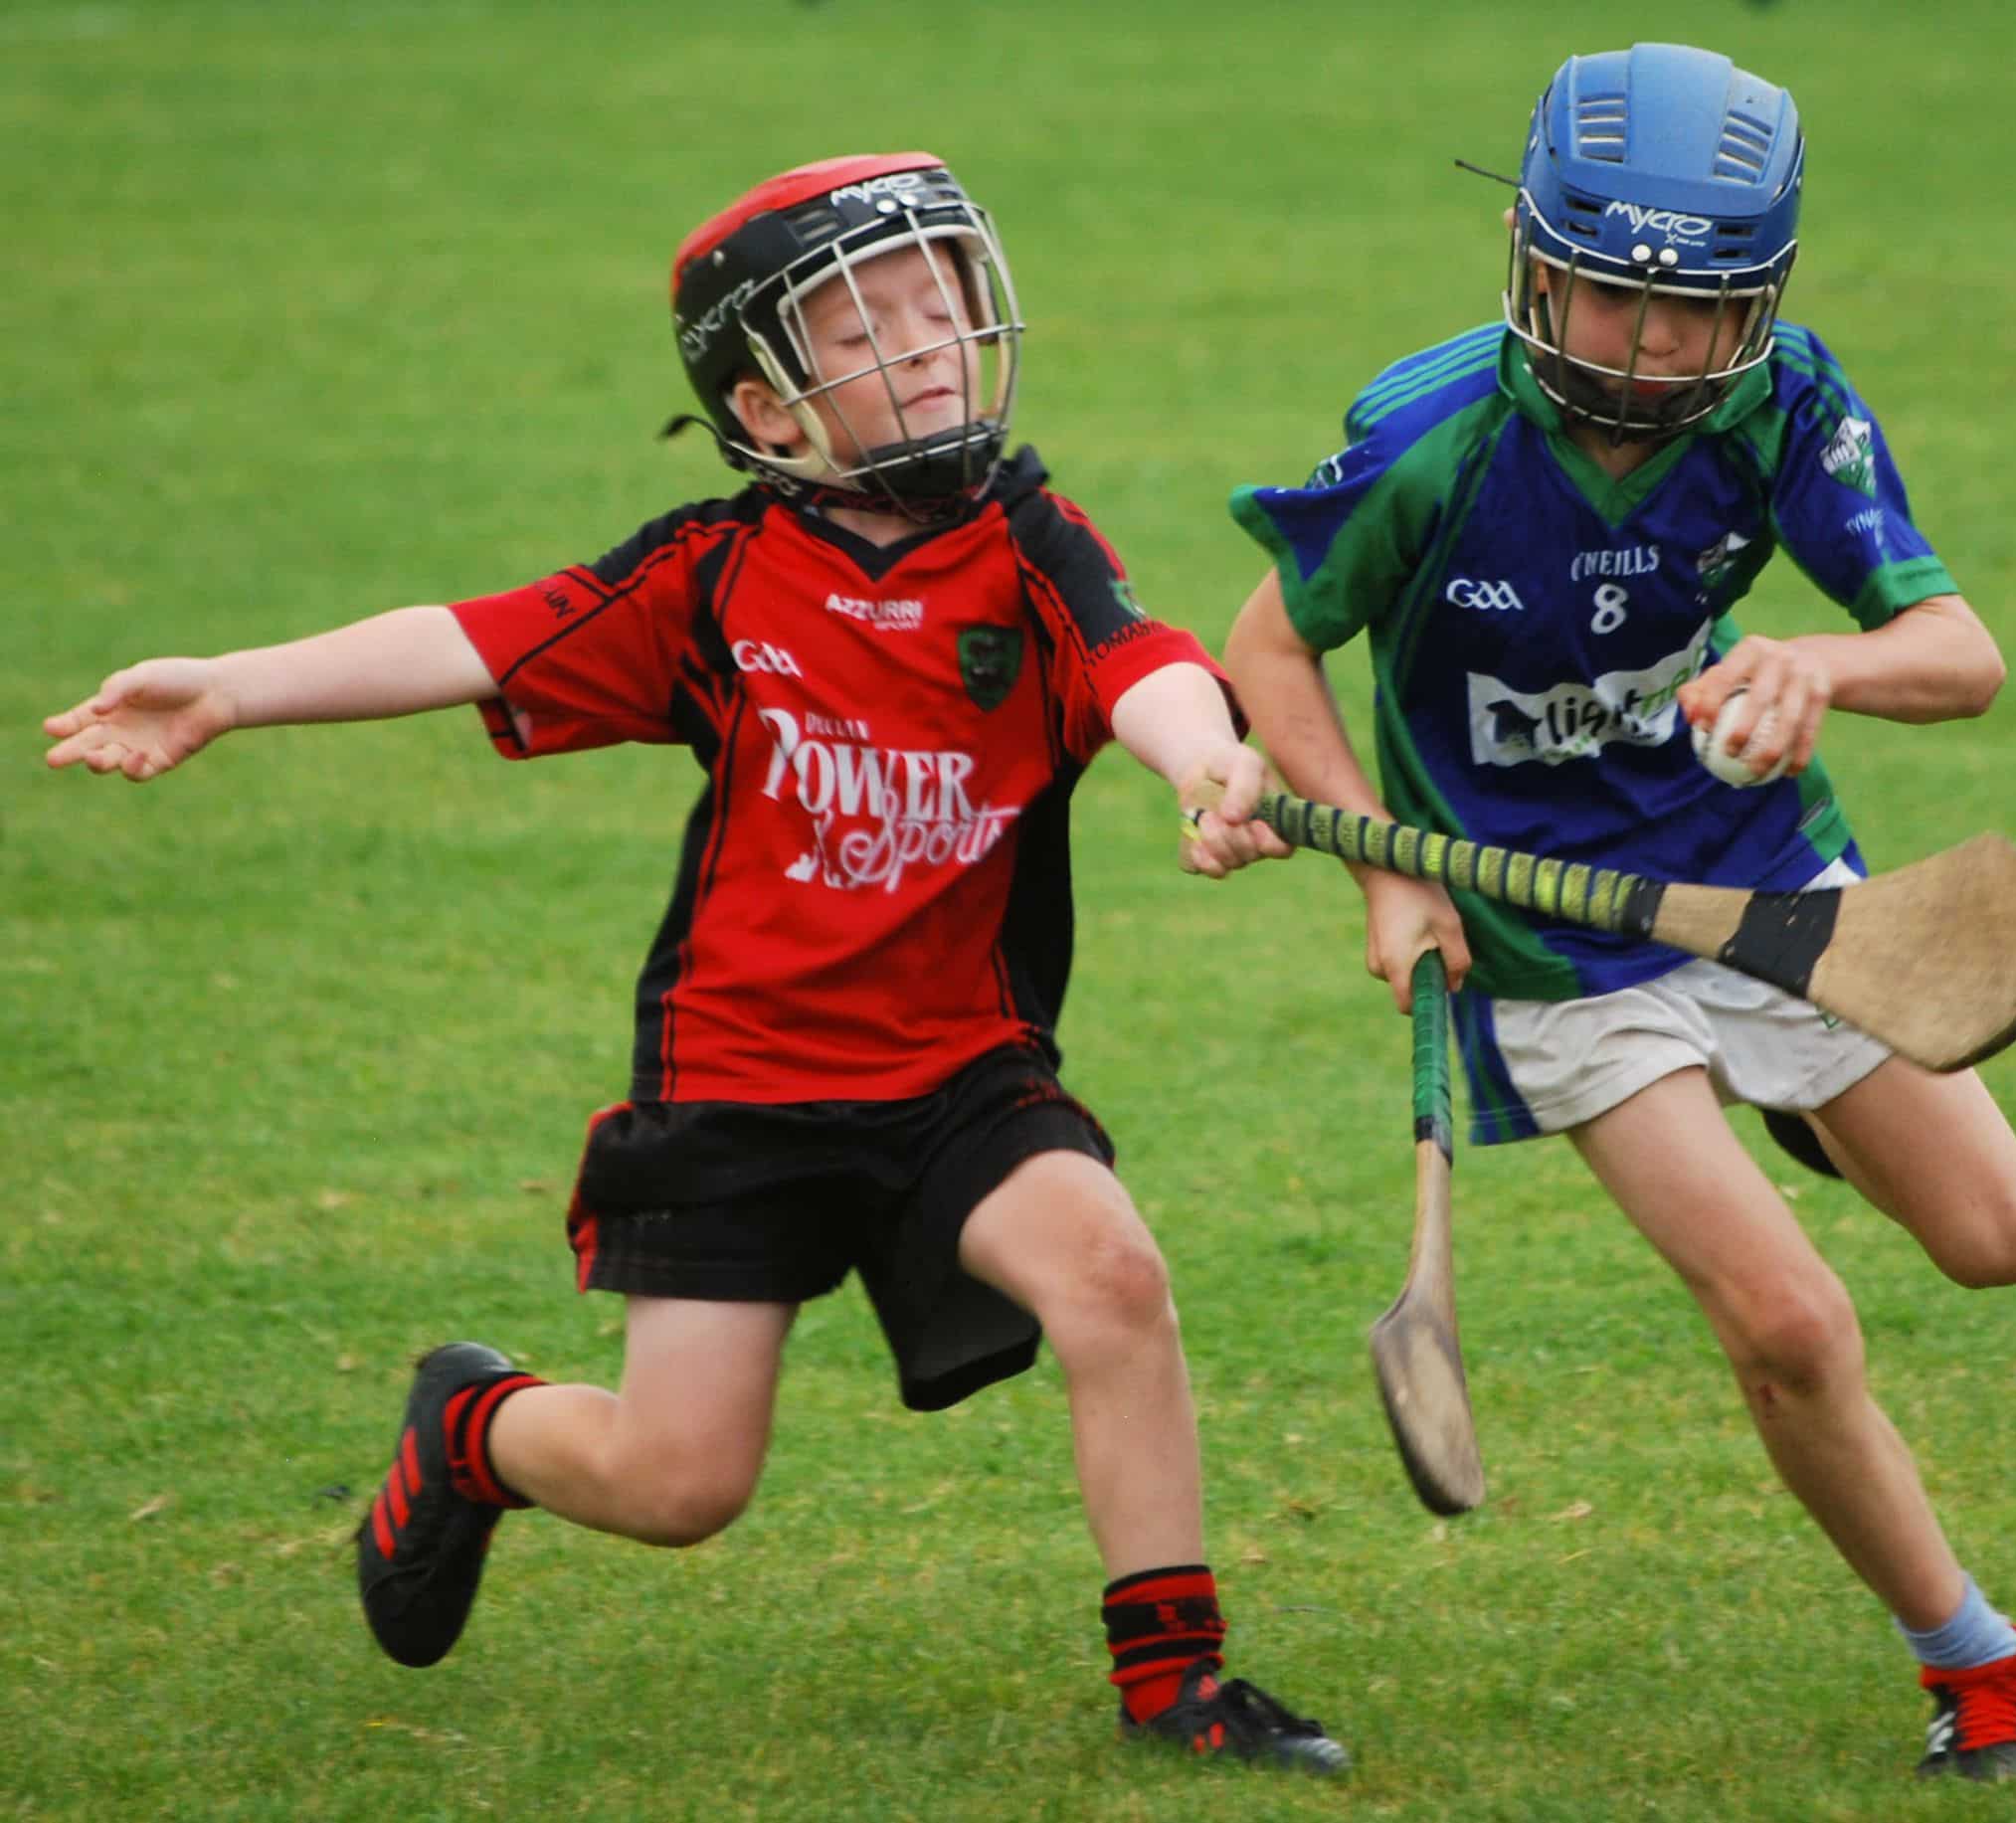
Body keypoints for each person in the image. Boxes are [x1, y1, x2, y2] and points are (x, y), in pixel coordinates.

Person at [43, 152, 1349, 1773]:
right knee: (680, 1485)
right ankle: (474, 1425)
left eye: (939, 298)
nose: (929, 340)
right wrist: (232, 686)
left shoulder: (1029, 537)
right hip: (739, 1083)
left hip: (960, 1073)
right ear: (771, 408)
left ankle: (1180, 1684)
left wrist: (1203, 759)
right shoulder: (713, 576)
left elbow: (1141, 659)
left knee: (1113, 1276)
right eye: (867, 324)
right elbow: (472, 635)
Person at [1219, 46, 2016, 1782]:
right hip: (1551, 947)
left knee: (2001, 1239)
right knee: (1789, 1323)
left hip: (1762, 887)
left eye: (1703, 310)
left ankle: (1804, 1106)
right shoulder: (1432, 435)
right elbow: (1267, 645)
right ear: (1535, 262)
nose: (1655, 347)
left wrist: (1813, 660)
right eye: (1614, 298)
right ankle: (1969, 1656)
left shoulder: (1777, 406)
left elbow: (1961, 654)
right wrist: (1389, 869)